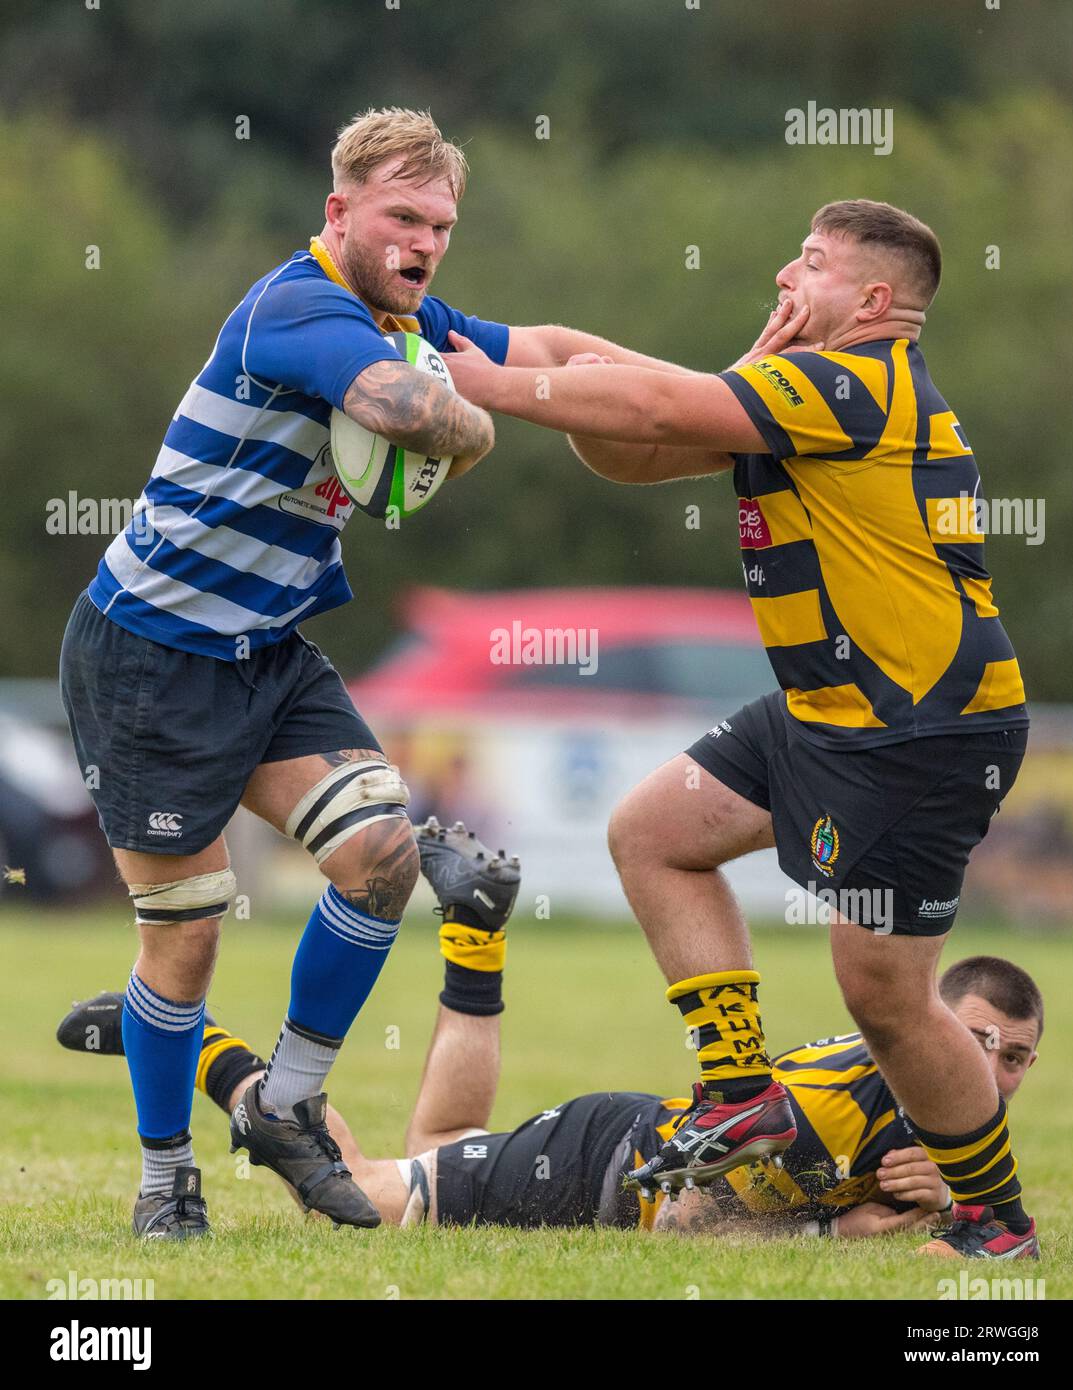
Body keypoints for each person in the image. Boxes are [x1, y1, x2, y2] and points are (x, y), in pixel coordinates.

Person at [57, 105, 704, 1241]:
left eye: (442, 225)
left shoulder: (407, 312)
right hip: (148, 656)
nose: (425, 242)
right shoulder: (297, 306)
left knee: (382, 854)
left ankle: (289, 1107)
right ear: (339, 211)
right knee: (190, 935)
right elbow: (397, 404)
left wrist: (721, 397)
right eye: (404, 217)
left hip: (266, 652)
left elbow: (545, 350)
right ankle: (167, 1181)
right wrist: (477, 428)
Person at [440, 200, 1035, 1258]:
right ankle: (739, 1089)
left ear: (874, 300)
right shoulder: (801, 389)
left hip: (920, 727)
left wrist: (490, 387)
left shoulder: (856, 382)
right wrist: (534, 365)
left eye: (810, 262)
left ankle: (996, 1222)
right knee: (653, 832)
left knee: (887, 999)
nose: (783, 273)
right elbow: (634, 448)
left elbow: (660, 410)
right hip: (825, 712)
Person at [58, 822, 1043, 1247]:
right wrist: (848, 1227)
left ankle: (475, 933)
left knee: (437, 1152)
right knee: (353, 1202)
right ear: (932, 1025)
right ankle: (192, 1045)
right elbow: (699, 1227)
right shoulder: (861, 1103)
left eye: (1016, 1057)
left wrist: (929, 1205)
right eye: (978, 1040)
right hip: (600, 1174)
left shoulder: (932, 1142)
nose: (990, 1069)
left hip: (605, 1154)